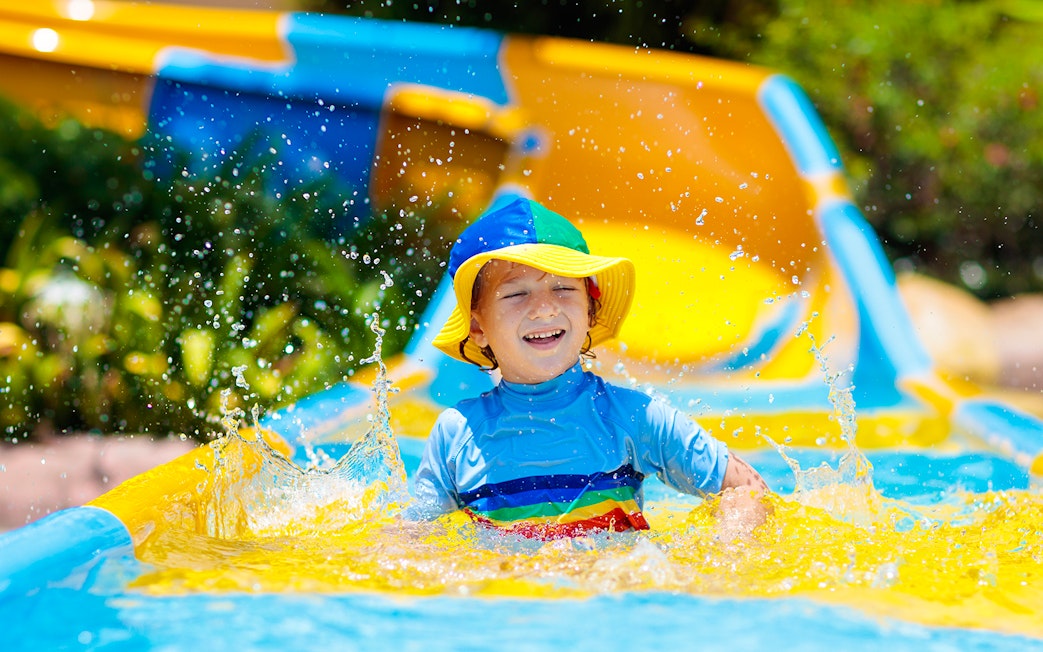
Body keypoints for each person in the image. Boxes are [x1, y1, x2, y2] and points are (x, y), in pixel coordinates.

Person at [413, 195, 770, 539]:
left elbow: (746, 487)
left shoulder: (633, 417)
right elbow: (415, 538)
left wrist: (727, 552)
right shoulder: (458, 435)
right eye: (517, 293)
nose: (545, 309)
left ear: (589, 310)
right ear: (478, 327)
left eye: (563, 289)